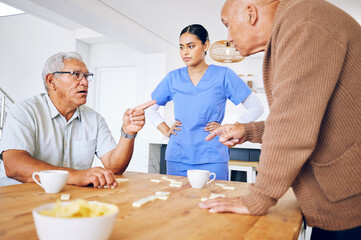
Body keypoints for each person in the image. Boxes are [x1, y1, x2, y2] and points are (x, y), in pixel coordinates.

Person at [199, 0, 361, 239]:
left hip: (349, 201)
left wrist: (259, 197)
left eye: (228, 24)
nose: (228, 37)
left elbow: (293, 123)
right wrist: (249, 130)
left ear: (251, 13)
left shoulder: (305, 24)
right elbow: (308, 116)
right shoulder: (300, 22)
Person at [0, 51, 155, 188]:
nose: (85, 82)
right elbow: (14, 165)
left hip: (70, 201)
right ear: (51, 81)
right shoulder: (24, 111)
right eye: (76, 74)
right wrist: (75, 176)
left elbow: (115, 167)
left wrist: (127, 133)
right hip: (20, 200)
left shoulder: (94, 119)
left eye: (87, 76)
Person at [145, 24, 264, 180]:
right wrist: (166, 130)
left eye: (191, 46)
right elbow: (149, 109)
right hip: (178, 155)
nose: (185, 52)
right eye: (181, 47)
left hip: (213, 156)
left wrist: (231, 129)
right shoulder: (172, 78)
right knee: (178, 201)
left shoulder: (224, 75)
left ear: (205, 45)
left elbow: (256, 107)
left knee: (214, 200)